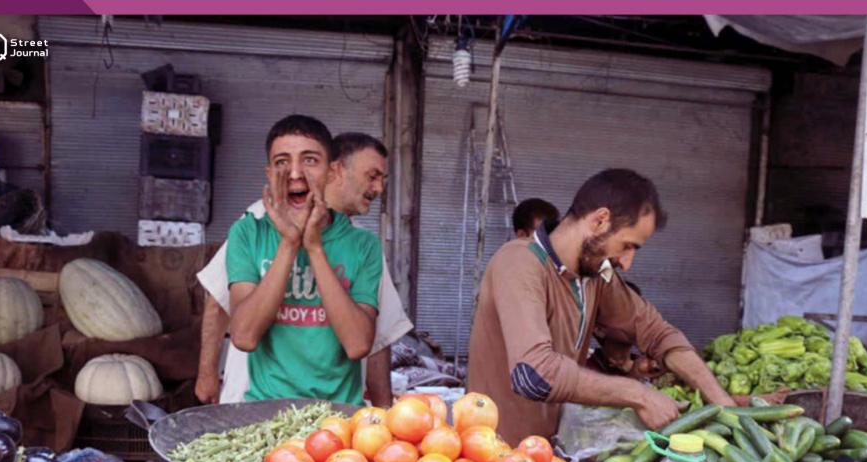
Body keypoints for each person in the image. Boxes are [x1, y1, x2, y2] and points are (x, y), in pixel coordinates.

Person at [468, 168, 734, 445]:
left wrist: (724, 405)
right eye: (627, 246)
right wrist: (638, 394)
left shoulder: (595, 276)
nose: (627, 263)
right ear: (600, 220)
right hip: (496, 457)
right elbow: (533, 374)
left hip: (548, 457)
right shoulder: (519, 262)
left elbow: (657, 333)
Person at [195, 131, 412, 407]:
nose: (379, 189)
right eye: (371, 176)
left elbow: (378, 336)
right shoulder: (258, 222)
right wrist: (207, 374)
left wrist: (384, 415)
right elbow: (217, 300)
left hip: (333, 410)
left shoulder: (363, 244)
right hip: (254, 400)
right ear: (337, 172)